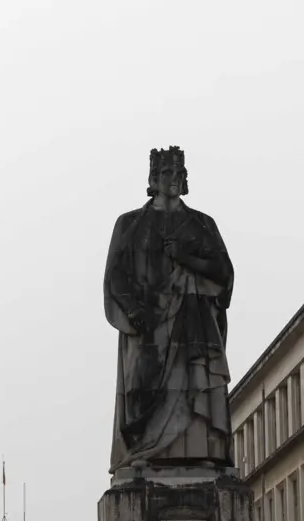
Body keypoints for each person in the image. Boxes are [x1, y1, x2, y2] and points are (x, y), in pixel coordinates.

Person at [103, 146, 236, 473]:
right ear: (153, 178)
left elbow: (224, 273)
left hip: (194, 322)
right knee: (142, 386)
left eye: (178, 174)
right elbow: (115, 276)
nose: (173, 180)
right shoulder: (131, 224)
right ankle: (143, 450)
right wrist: (133, 309)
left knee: (196, 382)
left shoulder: (202, 224)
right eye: (166, 174)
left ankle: (203, 452)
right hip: (148, 326)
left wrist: (187, 258)